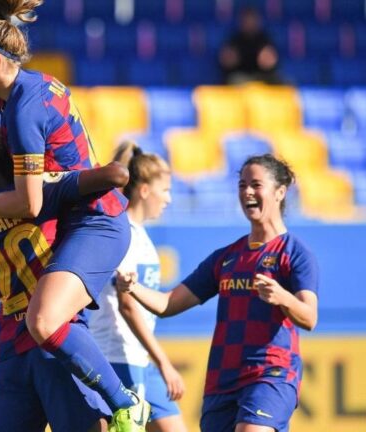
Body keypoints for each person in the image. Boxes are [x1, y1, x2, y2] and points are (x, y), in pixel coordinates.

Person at [0, 2, 148, 429]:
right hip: (83, 217)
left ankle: (126, 402)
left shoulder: (23, 109)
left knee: (44, 320)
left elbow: (29, 204)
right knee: (50, 322)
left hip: (96, 221)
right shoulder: (35, 89)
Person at [119, 154, 319, 432]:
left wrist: (282, 297)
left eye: (256, 184)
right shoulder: (226, 257)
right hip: (222, 381)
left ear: (280, 192)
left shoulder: (295, 254)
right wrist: (133, 287)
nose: (247, 192)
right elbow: (167, 304)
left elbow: (309, 317)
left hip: (270, 375)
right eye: (242, 185)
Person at [0, 124, 131, 431]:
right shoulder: (44, 194)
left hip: (10, 352)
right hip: (57, 339)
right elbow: (115, 176)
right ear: (15, 154)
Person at [88, 142, 189, 432]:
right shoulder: (125, 235)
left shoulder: (140, 234)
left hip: (139, 356)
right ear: (144, 189)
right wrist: (165, 363)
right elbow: (128, 306)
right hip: (117, 354)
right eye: (165, 190)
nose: (168, 199)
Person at [219, 7, 282, 85]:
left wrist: (269, 62)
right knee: (234, 79)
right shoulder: (234, 40)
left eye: (252, 20)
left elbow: (272, 62)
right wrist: (229, 60)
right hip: (241, 77)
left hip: (262, 76)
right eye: (246, 21)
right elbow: (226, 62)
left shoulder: (265, 39)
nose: (249, 23)